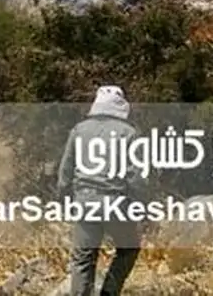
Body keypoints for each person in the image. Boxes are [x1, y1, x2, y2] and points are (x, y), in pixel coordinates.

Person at [57, 85, 145, 296]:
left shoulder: (79, 130)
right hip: (115, 204)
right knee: (129, 249)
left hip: (84, 202)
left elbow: (65, 171)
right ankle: (109, 292)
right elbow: (136, 177)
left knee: (83, 259)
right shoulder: (129, 133)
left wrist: (64, 199)